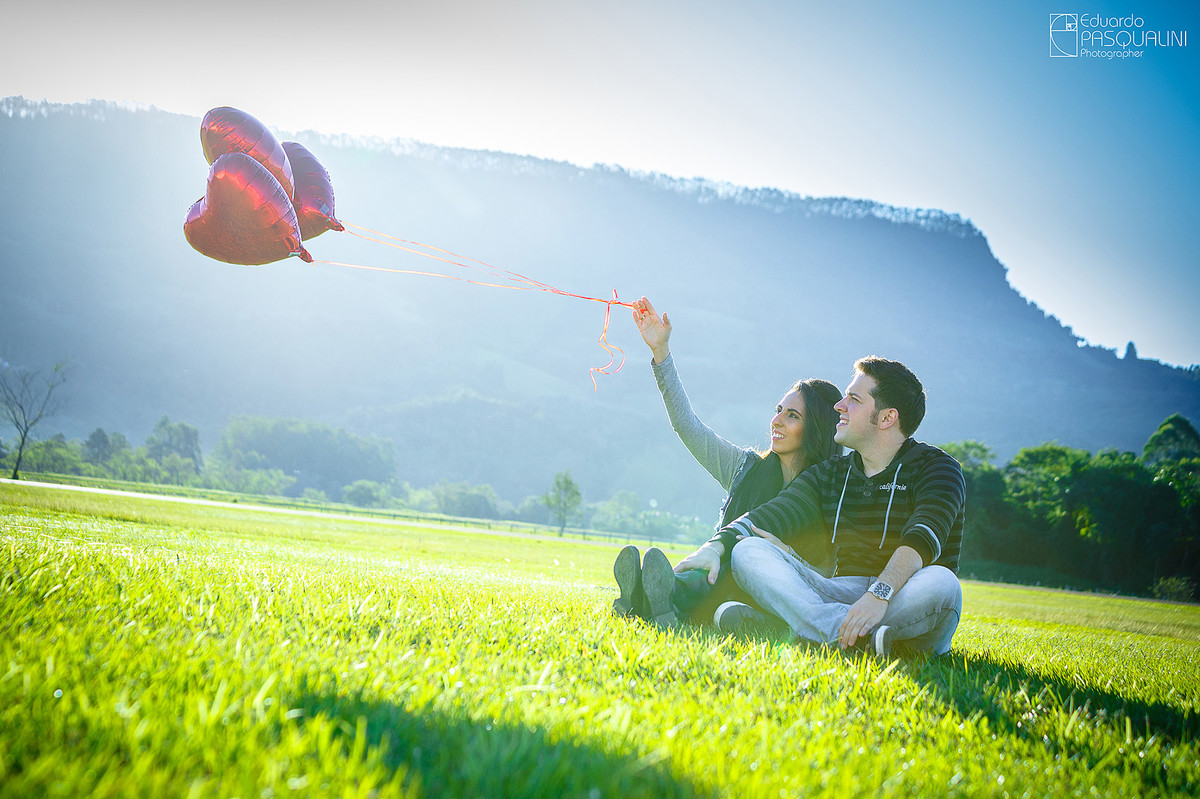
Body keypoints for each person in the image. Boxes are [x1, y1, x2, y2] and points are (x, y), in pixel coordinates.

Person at [681, 355, 966, 657]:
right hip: (839, 594)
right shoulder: (831, 473)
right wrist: (714, 547)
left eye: (853, 399)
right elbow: (770, 516)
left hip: (905, 595)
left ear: (886, 418)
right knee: (748, 551)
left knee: (942, 582)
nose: (839, 406)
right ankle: (849, 637)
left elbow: (922, 538)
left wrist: (877, 595)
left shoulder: (938, 468)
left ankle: (799, 631)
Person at [611, 297, 842, 630]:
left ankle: (655, 597)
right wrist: (660, 352)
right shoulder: (745, 467)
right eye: (778, 410)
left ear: (817, 430)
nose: (776, 421)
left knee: (737, 565)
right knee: (713, 570)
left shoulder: (836, 489)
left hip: (783, 595)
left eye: (792, 415)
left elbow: (834, 574)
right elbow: (688, 427)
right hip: (717, 578)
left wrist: (789, 557)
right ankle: (649, 599)